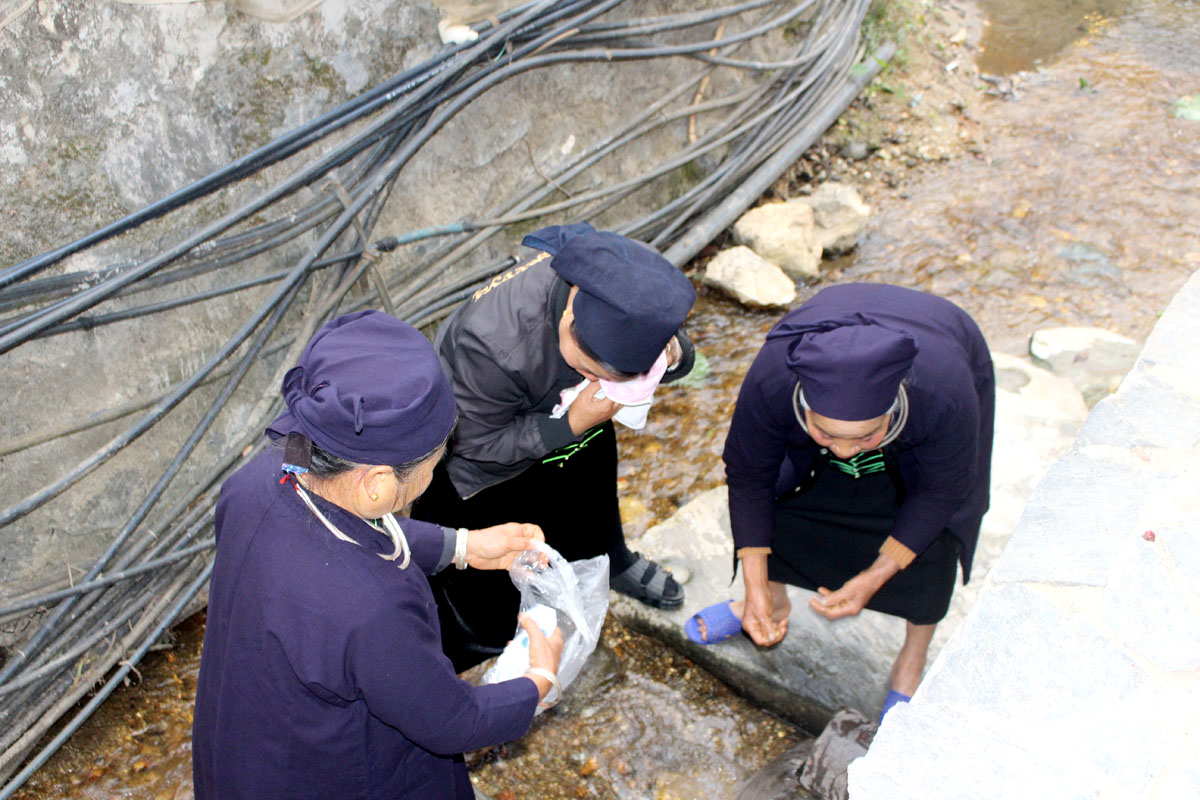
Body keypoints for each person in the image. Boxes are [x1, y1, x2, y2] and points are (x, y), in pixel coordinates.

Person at [192, 310, 564, 800]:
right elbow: (450, 720)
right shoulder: (373, 608)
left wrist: (463, 546)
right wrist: (538, 682)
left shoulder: (261, 481)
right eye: (435, 462)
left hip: (244, 751)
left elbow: (346, 537)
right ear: (377, 484)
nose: (437, 471)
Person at [687, 283, 993, 720]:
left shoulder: (942, 392)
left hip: (941, 343)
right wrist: (753, 581)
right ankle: (768, 602)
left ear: (892, 413)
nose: (845, 451)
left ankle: (912, 657)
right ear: (804, 407)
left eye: (866, 436)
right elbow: (749, 475)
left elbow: (943, 491)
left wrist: (873, 577)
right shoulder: (775, 377)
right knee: (780, 492)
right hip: (818, 370)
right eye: (826, 434)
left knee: (936, 532)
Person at [413, 222, 696, 671]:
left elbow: (675, 349)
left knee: (593, 496)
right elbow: (475, 446)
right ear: (569, 316)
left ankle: (614, 560)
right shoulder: (490, 345)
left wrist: (673, 355)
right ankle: (485, 656)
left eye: (613, 379)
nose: (597, 383)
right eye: (585, 366)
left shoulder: (626, 281)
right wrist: (573, 422)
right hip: (487, 467)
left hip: (573, 426)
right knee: (493, 581)